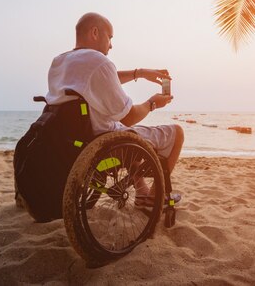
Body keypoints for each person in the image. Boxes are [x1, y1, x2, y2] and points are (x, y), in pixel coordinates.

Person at [45, 12, 185, 203]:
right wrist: (152, 103)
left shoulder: (60, 62)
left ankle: (142, 190)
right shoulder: (99, 61)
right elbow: (129, 116)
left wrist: (140, 73)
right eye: (109, 37)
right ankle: (153, 197)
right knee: (176, 133)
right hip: (106, 144)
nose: (111, 45)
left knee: (128, 132)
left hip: (75, 143)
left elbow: (99, 78)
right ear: (95, 32)